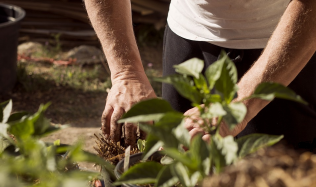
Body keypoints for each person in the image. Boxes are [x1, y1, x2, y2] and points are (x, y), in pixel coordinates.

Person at [84, 0, 316, 149]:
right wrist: (126, 73)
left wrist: (238, 104)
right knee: (181, 165)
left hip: (283, 47)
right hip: (186, 37)